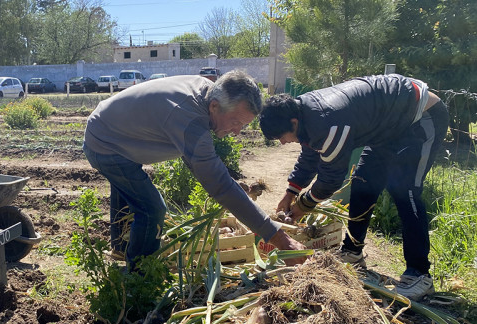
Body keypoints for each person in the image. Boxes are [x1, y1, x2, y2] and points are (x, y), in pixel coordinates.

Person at [83, 70, 305, 269]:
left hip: (118, 131)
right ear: (214, 106)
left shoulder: (206, 93)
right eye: (236, 122)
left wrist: (224, 179)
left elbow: (201, 163)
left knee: (132, 191)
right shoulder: (189, 119)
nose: (237, 131)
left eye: (243, 125)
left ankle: (122, 248)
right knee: (152, 210)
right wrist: (281, 241)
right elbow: (219, 187)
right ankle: (139, 277)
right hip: (106, 144)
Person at [259, 74, 449, 300]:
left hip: (420, 117)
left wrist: (303, 205)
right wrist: (290, 192)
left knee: (405, 189)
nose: (283, 142)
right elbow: (310, 155)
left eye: (282, 136)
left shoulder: (327, 120)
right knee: (362, 184)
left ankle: (420, 274)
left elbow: (331, 179)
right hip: (387, 129)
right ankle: (352, 252)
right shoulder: (301, 112)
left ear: (293, 123)